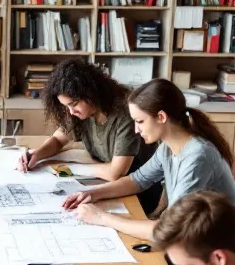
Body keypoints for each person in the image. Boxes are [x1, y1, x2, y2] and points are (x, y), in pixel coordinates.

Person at [63, 78, 235, 243]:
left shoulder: (198, 157)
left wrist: (101, 217)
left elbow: (170, 229)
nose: (136, 130)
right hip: (195, 237)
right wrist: (92, 193)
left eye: (140, 121)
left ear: (161, 117)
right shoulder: (167, 147)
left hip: (221, 244)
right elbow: (137, 180)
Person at [18, 59, 156, 189]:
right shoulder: (83, 111)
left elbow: (116, 173)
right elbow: (58, 139)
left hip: (137, 188)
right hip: (106, 179)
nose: (71, 112)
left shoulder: (126, 113)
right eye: (66, 106)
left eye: (74, 104)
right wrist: (37, 154)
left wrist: (68, 168)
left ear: (90, 94)